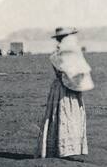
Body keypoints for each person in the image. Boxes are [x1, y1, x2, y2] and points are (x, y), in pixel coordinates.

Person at [38, 27, 94, 159]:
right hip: (65, 87)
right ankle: (64, 149)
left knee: (62, 114)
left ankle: (61, 149)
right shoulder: (66, 53)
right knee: (66, 114)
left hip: (64, 87)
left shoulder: (64, 53)